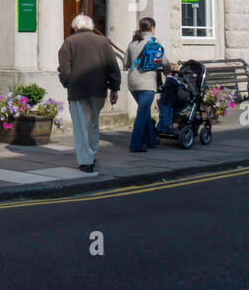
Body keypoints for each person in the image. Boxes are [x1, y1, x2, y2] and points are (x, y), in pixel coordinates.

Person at [57, 13, 122, 172]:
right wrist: (114, 88)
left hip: (77, 89)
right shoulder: (103, 42)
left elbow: (64, 69)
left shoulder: (69, 42)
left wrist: (67, 82)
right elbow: (113, 67)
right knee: (93, 124)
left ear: (75, 27)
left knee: (80, 126)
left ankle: (86, 161)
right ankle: (92, 155)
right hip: (98, 89)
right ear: (91, 27)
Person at [125, 16, 170, 152]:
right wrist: (168, 71)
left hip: (132, 83)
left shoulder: (132, 43)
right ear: (152, 28)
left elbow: (126, 63)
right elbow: (164, 62)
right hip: (147, 83)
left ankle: (151, 139)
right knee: (142, 113)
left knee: (144, 112)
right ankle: (136, 144)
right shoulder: (154, 41)